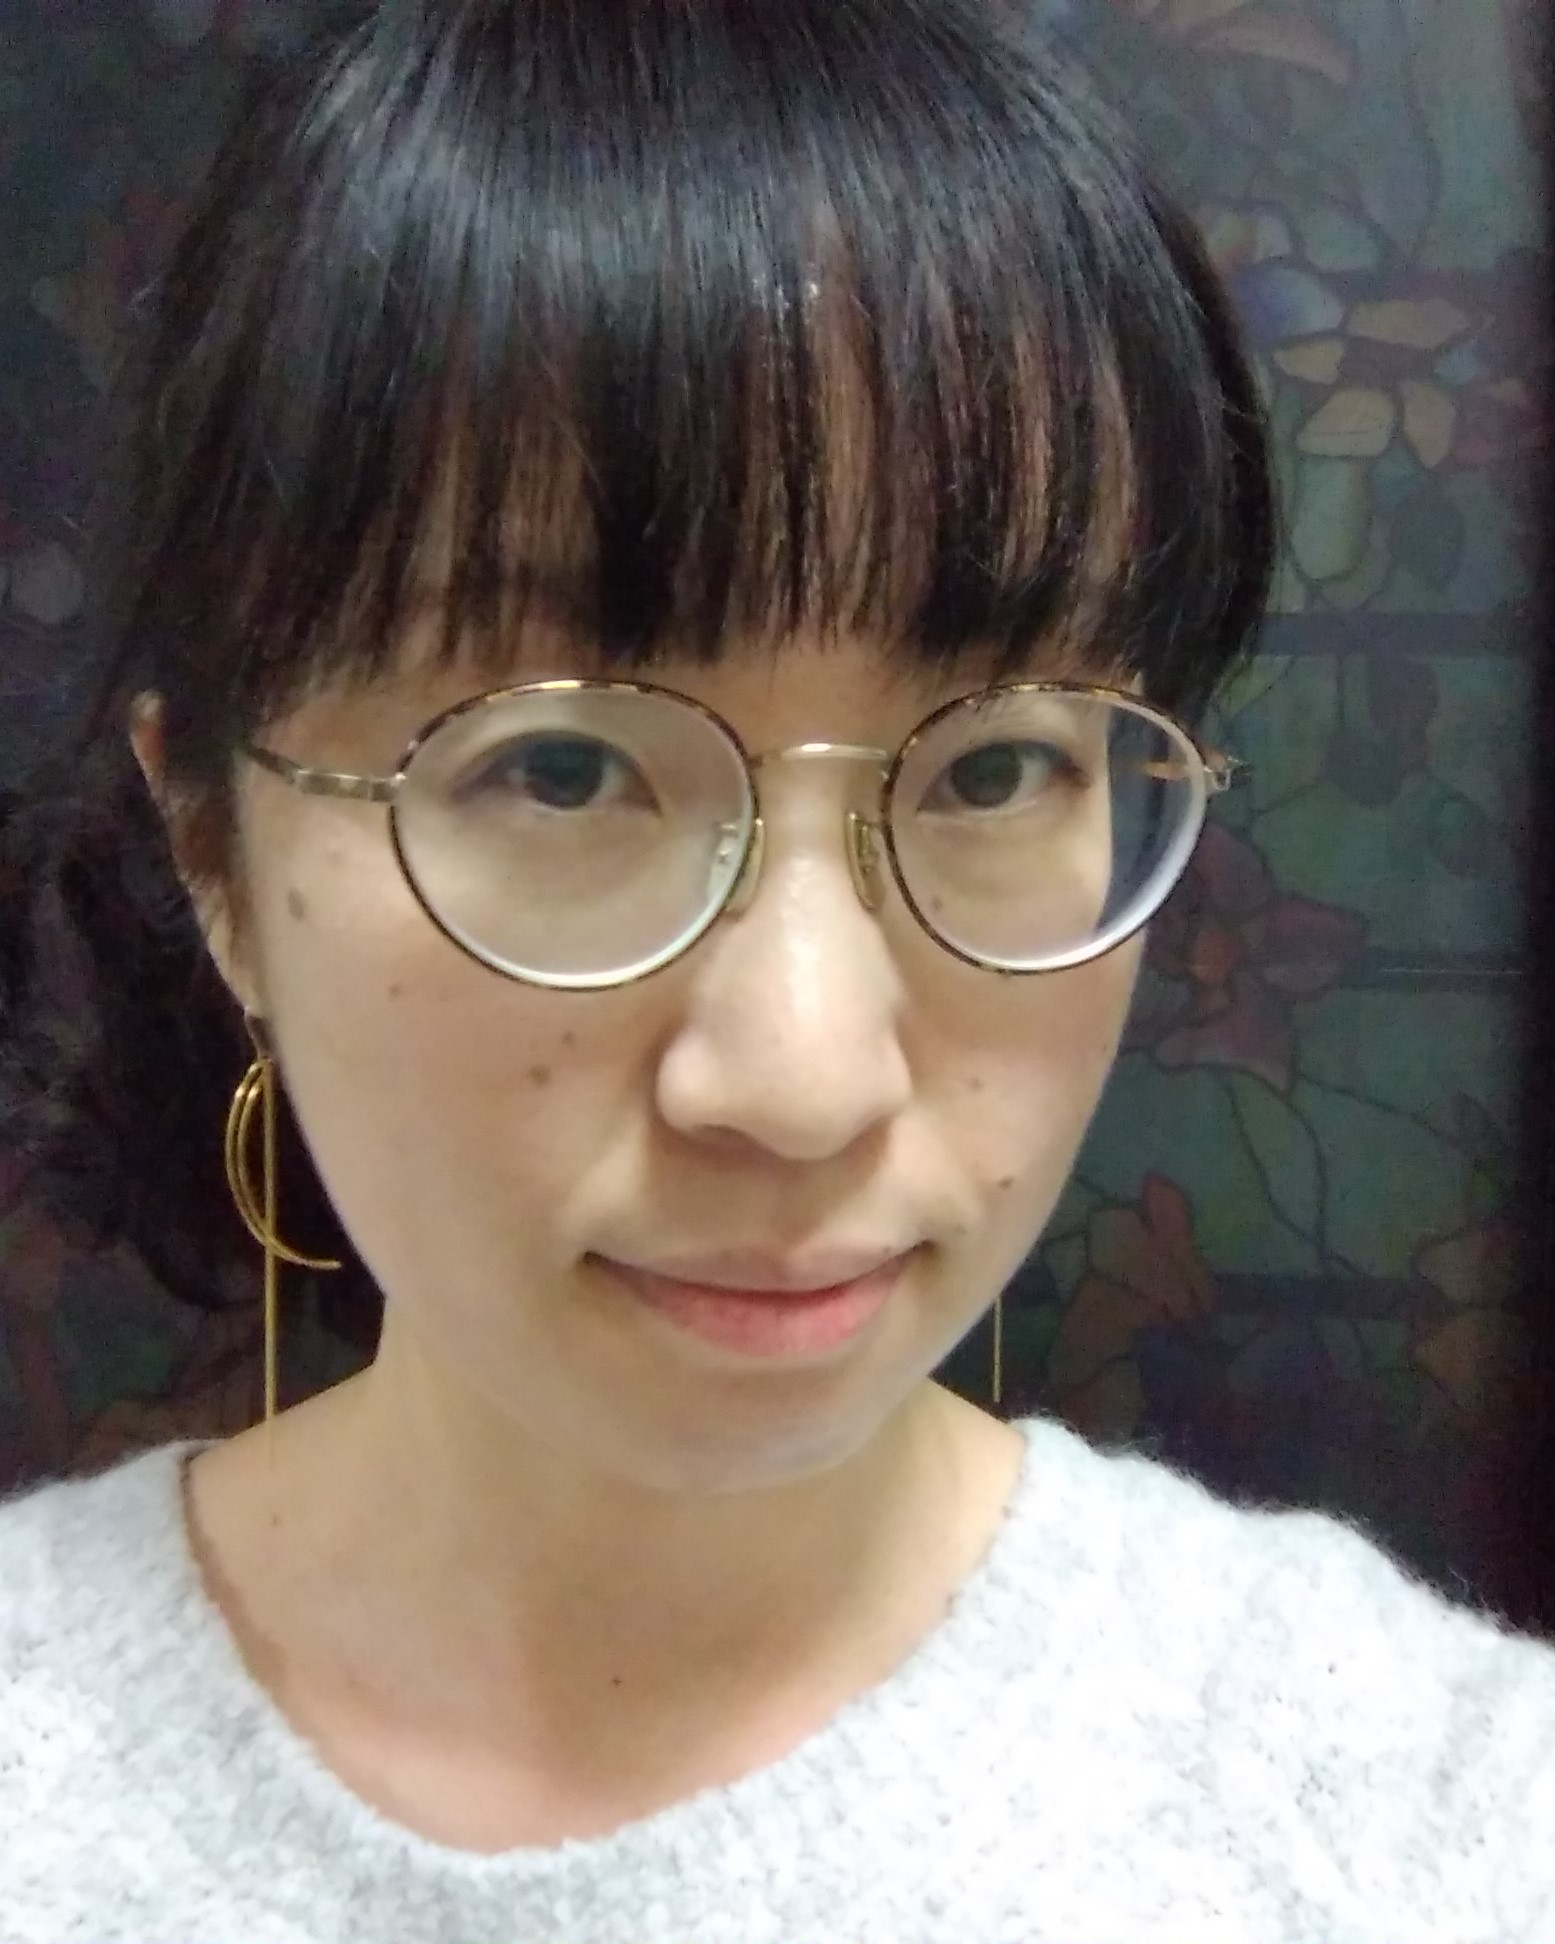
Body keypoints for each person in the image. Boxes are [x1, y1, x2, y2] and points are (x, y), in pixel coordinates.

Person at [1, 2, 1551, 1939]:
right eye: (560, 770)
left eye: (995, 768)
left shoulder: (1425, 1825)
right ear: (212, 849)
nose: (807, 1081)